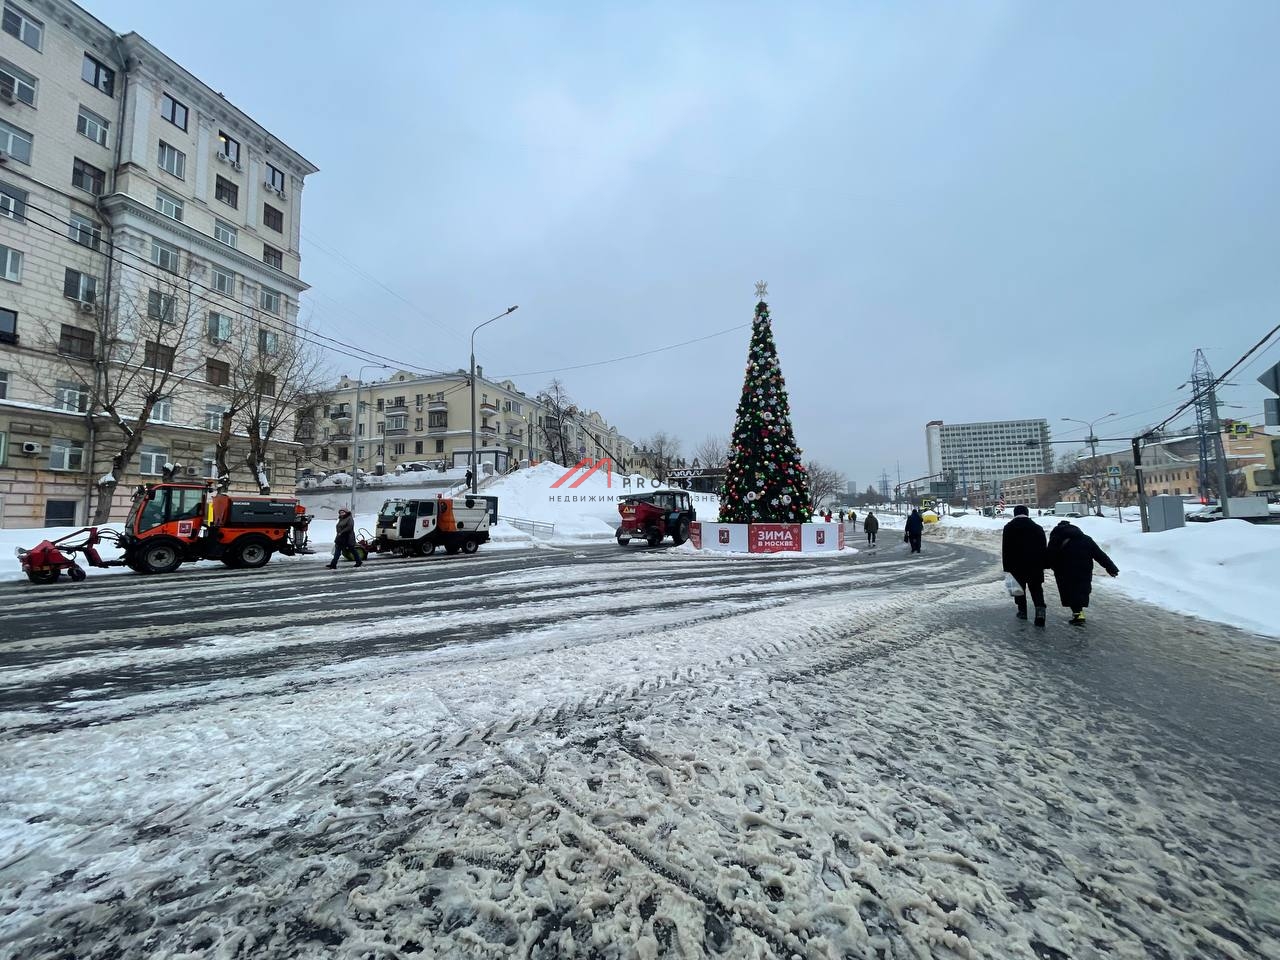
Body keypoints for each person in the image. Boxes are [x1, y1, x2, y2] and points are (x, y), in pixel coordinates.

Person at [1045, 520, 1118, 625]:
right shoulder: (1086, 539)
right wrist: (1111, 568)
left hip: (1064, 571)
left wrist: (1046, 566)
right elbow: (1100, 555)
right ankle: (1078, 614)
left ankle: (1078, 615)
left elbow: (1050, 555)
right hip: (1084, 570)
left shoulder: (1057, 539)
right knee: (1080, 591)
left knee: (1070, 593)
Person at [1002, 505, 1048, 626]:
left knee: (1018, 590)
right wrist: (1044, 564)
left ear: (1014, 513)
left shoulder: (1008, 528)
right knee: (1036, 589)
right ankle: (1040, 613)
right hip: (1035, 565)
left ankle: (1022, 612)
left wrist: (1006, 569)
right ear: (1027, 513)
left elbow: (1005, 550)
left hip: (1015, 566)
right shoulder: (1037, 528)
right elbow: (1044, 548)